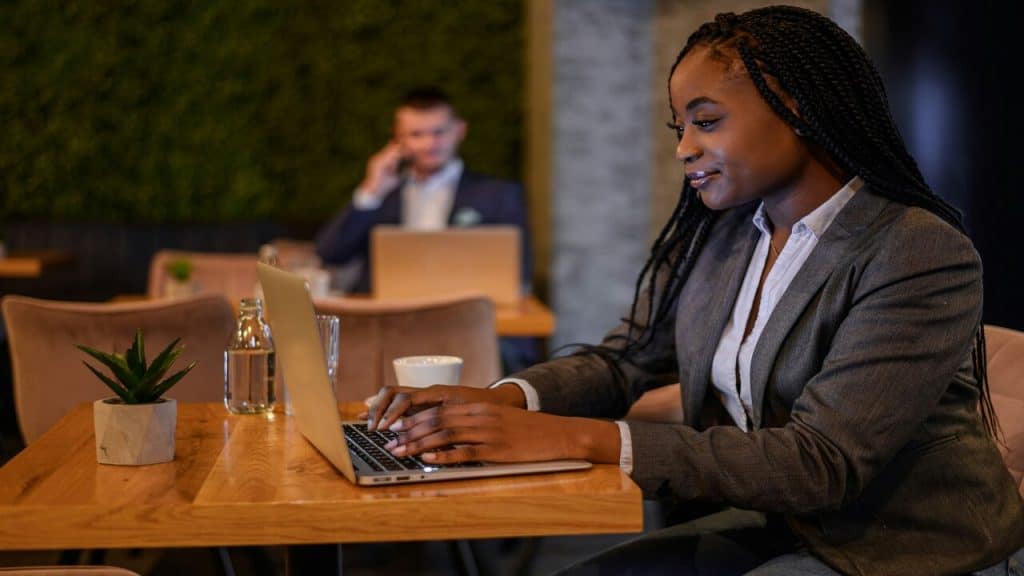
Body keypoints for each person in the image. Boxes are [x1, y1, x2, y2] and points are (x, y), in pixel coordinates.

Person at [363, 6, 1024, 575]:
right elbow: (626, 359)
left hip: (897, 550)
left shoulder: (914, 249)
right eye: (679, 126)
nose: (685, 148)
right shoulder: (723, 234)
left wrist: (572, 437)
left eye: (706, 121)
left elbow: (821, 463)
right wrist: (500, 400)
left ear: (797, 107)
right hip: (775, 524)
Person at [315, 86, 533, 297]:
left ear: (459, 130)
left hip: (462, 317)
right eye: (416, 134)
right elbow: (331, 254)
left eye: (439, 132)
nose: (430, 144)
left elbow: (518, 272)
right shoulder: (382, 194)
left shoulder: (498, 195)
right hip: (387, 318)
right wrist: (371, 191)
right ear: (398, 138)